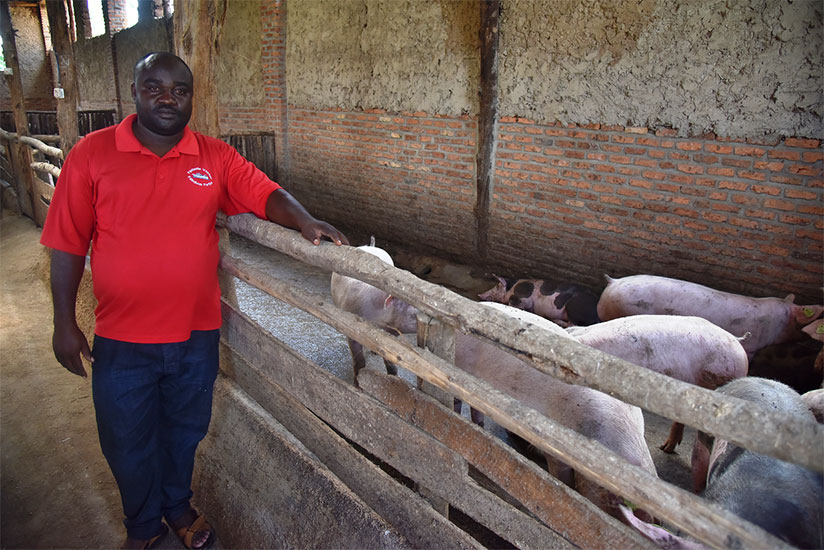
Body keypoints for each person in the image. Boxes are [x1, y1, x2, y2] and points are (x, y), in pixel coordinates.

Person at [40, 51, 349, 550]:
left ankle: (177, 506)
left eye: (179, 90)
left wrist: (304, 221)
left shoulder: (214, 156)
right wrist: (63, 322)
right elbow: (68, 242)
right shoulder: (92, 154)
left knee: (186, 427)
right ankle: (142, 527)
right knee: (126, 437)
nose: (167, 98)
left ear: (190, 97)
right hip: (122, 335)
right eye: (154, 87)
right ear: (135, 92)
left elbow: (265, 192)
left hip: (195, 331)